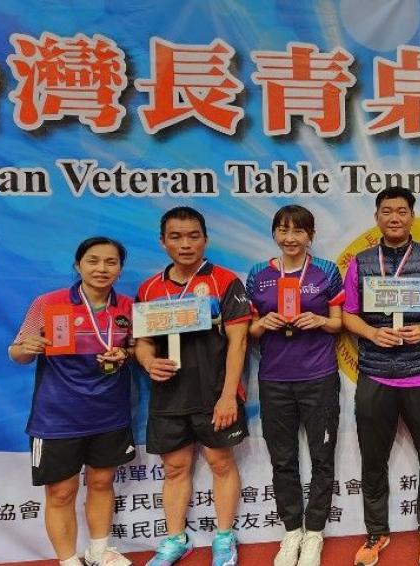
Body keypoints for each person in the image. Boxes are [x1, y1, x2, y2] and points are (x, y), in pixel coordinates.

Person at [8, 236, 136, 566]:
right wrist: (27, 348)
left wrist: (124, 353)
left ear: (120, 269)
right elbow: (17, 352)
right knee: (61, 493)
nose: (102, 268)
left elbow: (136, 349)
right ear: (78, 265)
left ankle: (99, 552)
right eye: (93, 261)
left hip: (110, 413)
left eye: (111, 262)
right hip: (58, 417)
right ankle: (68, 561)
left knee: (102, 482)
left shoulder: (126, 307)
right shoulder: (48, 303)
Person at [135, 207, 251, 566]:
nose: (185, 244)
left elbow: (239, 342)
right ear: (163, 241)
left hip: (214, 392)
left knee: (220, 462)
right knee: (174, 468)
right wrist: (148, 362)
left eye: (193, 236)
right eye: (176, 237)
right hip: (168, 395)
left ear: (205, 239)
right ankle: (175, 539)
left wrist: (228, 395)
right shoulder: (149, 288)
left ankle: (224, 537)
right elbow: (142, 343)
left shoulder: (225, 281)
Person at [341, 187, 420, 566]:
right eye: (387, 211)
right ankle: (376, 532)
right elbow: (348, 314)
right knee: (373, 459)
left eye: (402, 211)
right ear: (377, 217)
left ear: (412, 216)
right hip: (375, 375)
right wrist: (372, 334)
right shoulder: (361, 262)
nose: (394, 218)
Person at [246, 205, 344, 566]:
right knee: (282, 458)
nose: (290, 238)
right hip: (274, 379)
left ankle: (314, 532)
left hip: (319, 376)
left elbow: (338, 323)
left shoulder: (327, 271)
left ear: (310, 236)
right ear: (274, 233)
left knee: (322, 457)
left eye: (299, 231)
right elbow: (249, 329)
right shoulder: (258, 274)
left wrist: (319, 320)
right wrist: (263, 323)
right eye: (284, 230)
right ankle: (291, 532)